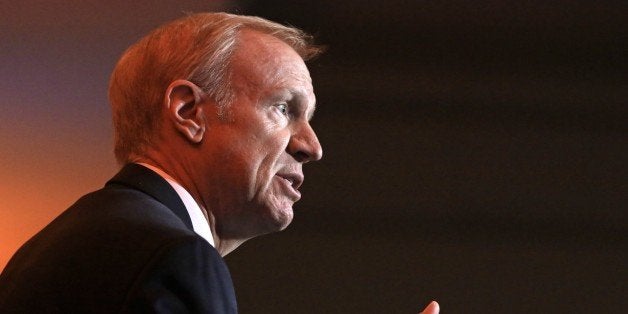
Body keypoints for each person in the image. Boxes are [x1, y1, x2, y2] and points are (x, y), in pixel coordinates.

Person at [0, 12, 439, 314]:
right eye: (284, 109)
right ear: (189, 113)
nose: (312, 146)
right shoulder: (172, 258)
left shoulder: (77, 241)